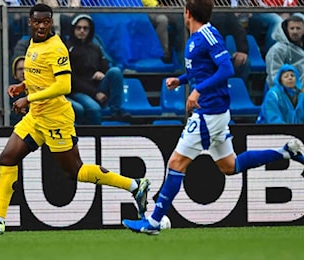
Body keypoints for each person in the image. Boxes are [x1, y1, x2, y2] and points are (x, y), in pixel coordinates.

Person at [0, 4, 151, 234]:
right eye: (37, 22)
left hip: (56, 119)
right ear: (30, 22)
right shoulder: (33, 43)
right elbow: (43, 75)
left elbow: (64, 85)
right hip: (36, 117)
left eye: (46, 22)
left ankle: (134, 185)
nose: (41, 26)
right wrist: (23, 86)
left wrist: (28, 98)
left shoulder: (57, 48)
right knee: (7, 157)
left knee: (75, 171)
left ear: (51, 22)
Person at [122, 0, 304, 235]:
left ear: (187, 12)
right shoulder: (199, 37)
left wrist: (198, 90)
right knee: (230, 166)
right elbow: (203, 70)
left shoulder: (207, 36)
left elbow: (226, 68)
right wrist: (183, 80)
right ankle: (287, 151)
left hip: (209, 111)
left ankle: (154, 221)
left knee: (176, 164)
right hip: (214, 111)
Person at [65, 14, 131, 125]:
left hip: (97, 87)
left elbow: (104, 66)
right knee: (94, 108)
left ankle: (116, 111)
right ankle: (96, 138)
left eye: (85, 28)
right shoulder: (67, 48)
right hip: (77, 91)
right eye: (79, 28)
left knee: (115, 71)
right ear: (73, 29)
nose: (82, 31)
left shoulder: (95, 47)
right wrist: (95, 93)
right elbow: (71, 79)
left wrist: (102, 73)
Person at [210, 12, 251, 88]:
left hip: (219, 54)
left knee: (243, 63)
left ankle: (238, 94)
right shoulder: (189, 13)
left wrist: (242, 51)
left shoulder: (222, 13)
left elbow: (239, 30)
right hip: (196, 55)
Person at [265, 13, 304, 89]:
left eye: (298, 28)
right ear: (287, 30)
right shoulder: (277, 50)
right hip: (286, 93)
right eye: (292, 28)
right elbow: (274, 76)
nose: (295, 32)